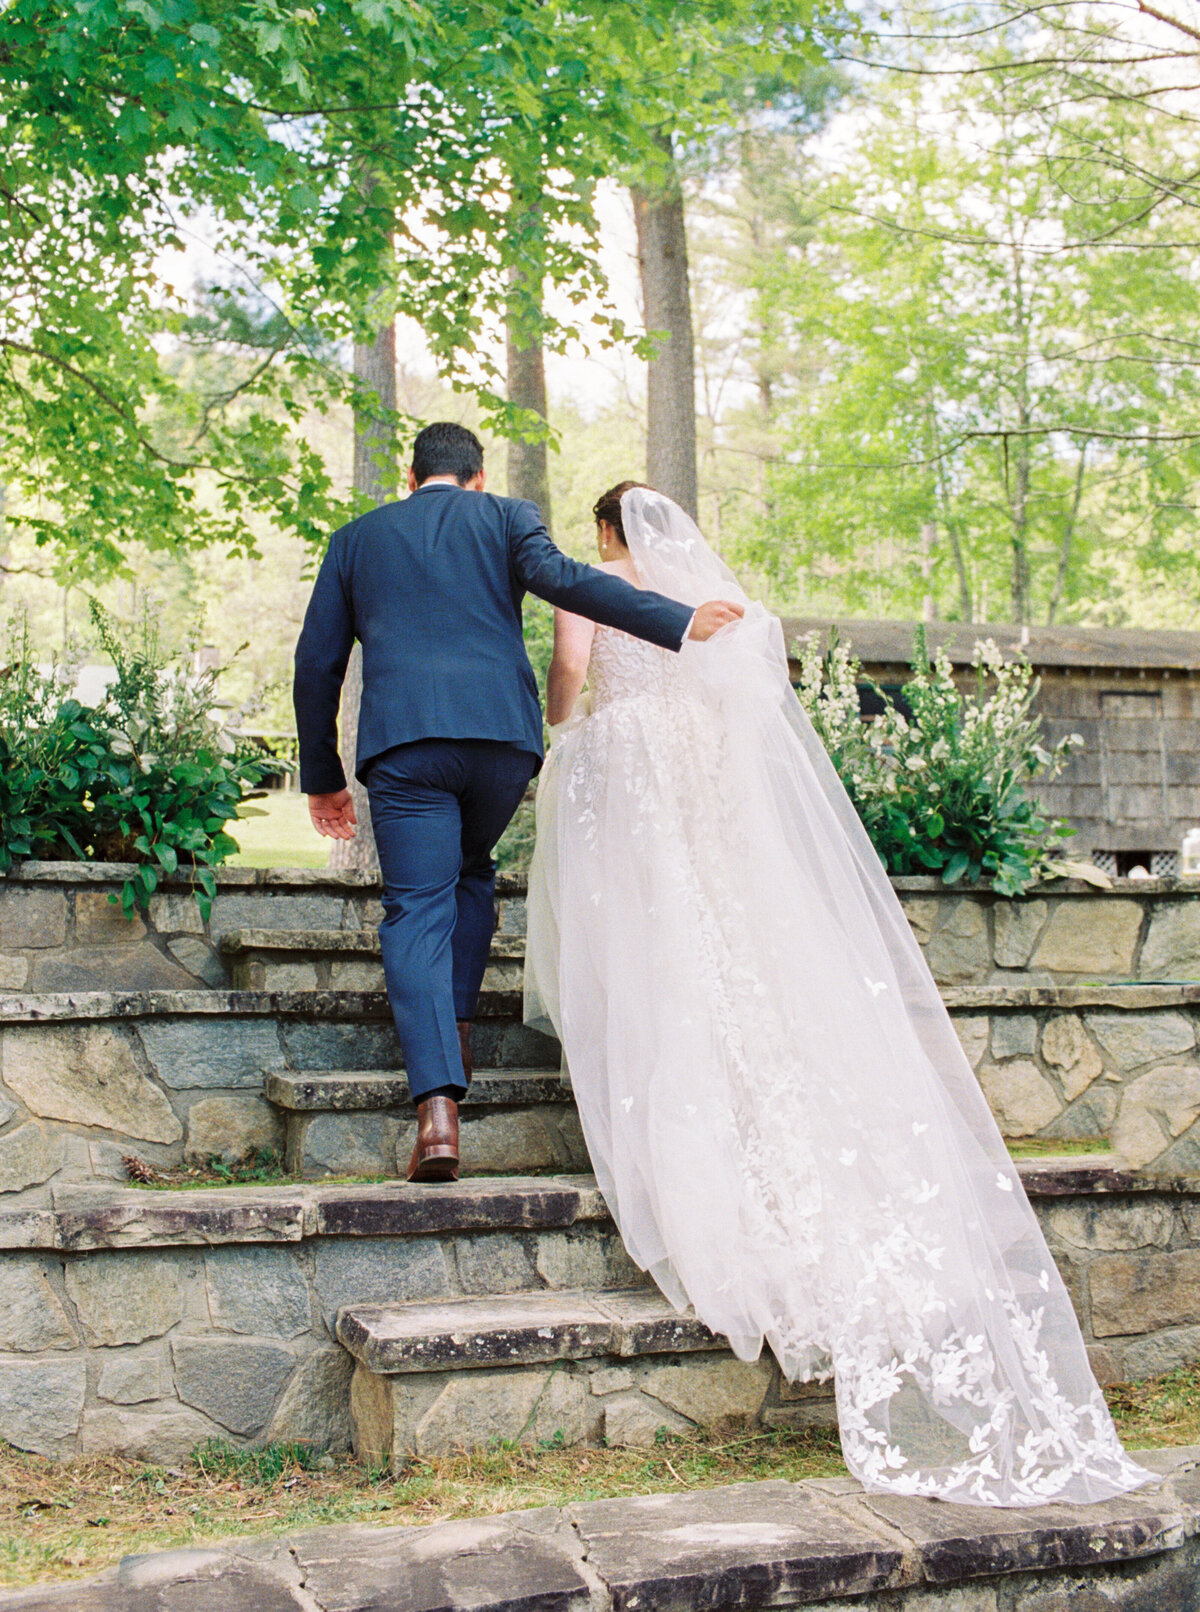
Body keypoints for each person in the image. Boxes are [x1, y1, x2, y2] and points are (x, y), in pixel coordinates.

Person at [524, 481, 1151, 1507]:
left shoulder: (588, 581)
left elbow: (573, 670)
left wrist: (567, 728)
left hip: (631, 765)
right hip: (696, 775)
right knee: (722, 945)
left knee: (653, 937)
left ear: (602, 531)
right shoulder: (707, 593)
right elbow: (740, 704)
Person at [292, 424, 744, 1182]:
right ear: (477, 476)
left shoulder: (357, 539)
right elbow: (567, 580)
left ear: (410, 476)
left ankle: (437, 1108)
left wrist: (321, 774)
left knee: (416, 905)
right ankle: (458, 1027)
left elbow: (317, 662)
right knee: (468, 871)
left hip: (406, 747)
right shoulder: (508, 516)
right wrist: (677, 620)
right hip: (501, 745)